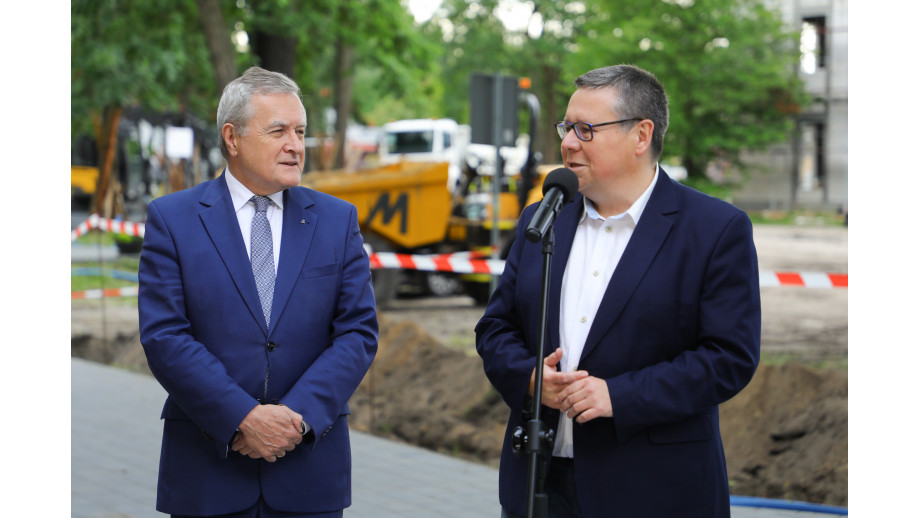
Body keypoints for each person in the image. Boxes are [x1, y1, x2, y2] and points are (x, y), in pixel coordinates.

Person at [475, 64, 760, 518]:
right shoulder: (542, 218)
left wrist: (620, 396)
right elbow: (496, 327)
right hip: (537, 483)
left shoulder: (714, 230)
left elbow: (729, 358)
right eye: (567, 127)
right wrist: (529, 377)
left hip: (653, 490)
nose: (569, 142)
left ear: (641, 135)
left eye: (586, 129)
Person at [138, 67, 378, 518]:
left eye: (300, 131)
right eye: (278, 130)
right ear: (232, 138)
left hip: (308, 473)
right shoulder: (173, 220)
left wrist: (296, 418)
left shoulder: (337, 220)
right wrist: (241, 417)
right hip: (208, 475)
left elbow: (358, 333)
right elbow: (165, 337)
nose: (295, 145)